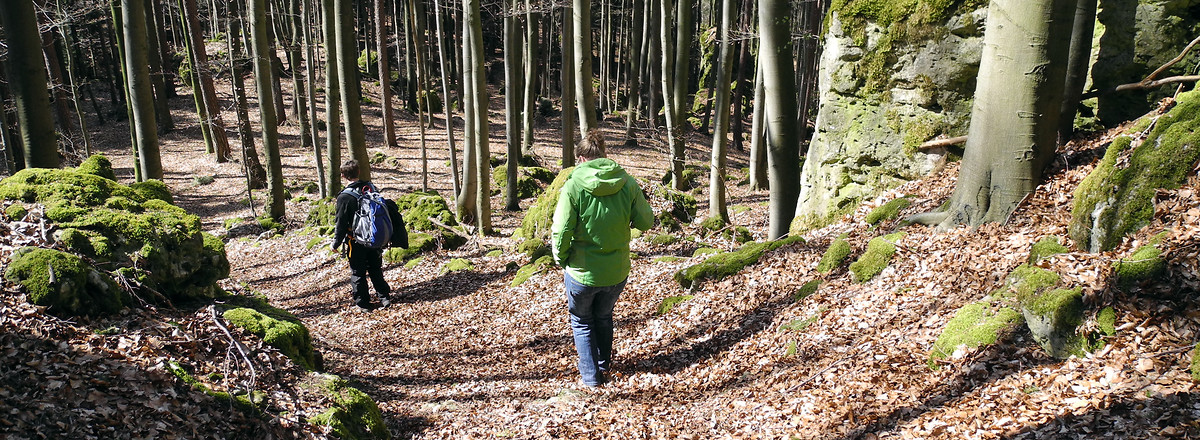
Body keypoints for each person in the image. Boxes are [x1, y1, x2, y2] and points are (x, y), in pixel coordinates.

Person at [551, 129, 654, 387]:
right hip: (616, 271)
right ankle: (603, 367)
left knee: (582, 321)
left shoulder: (574, 186)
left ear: (582, 158)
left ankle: (591, 380)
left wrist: (560, 258)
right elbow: (646, 220)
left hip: (582, 271)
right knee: (604, 316)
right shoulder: (627, 182)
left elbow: (561, 229)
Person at [332, 160, 392, 311]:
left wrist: (335, 243)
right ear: (358, 172)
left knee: (358, 272)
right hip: (374, 237)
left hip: (356, 240)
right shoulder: (370, 188)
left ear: (343, 176)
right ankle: (384, 297)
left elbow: (341, 223)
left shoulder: (344, 197)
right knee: (375, 268)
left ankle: (363, 303)